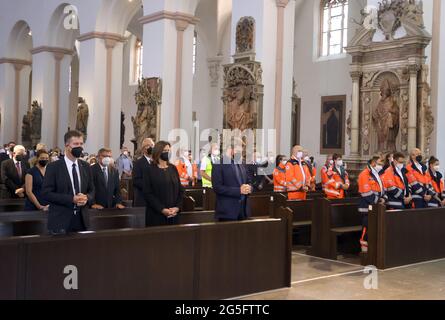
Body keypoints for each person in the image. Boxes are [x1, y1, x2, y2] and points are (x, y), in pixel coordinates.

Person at [42, 131, 95, 234]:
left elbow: (92, 190)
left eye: (81, 144)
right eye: (76, 144)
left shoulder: (86, 166)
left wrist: (86, 198)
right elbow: (46, 193)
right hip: (60, 221)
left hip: (82, 220)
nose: (79, 147)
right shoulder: (54, 167)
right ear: (67, 146)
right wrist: (71, 199)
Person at [143, 141, 184, 227]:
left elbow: (180, 190)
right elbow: (148, 193)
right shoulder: (149, 170)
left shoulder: (173, 168)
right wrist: (162, 209)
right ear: (158, 151)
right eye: (165, 150)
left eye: (169, 150)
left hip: (174, 214)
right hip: (156, 215)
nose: (168, 153)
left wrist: (177, 207)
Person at [212, 142, 252, 221]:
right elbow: (217, 188)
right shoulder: (218, 164)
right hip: (227, 212)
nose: (240, 154)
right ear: (231, 149)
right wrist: (238, 191)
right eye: (239, 151)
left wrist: (249, 188)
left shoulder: (241, 163)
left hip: (243, 211)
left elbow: (249, 181)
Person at [358, 155, 386, 253]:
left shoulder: (377, 174)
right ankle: (364, 252)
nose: (381, 166)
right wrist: (378, 200)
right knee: (367, 228)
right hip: (367, 207)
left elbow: (383, 189)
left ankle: (373, 250)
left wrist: (383, 198)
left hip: (376, 206)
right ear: (373, 163)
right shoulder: (364, 174)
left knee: (374, 229)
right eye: (379, 163)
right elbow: (366, 192)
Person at [133, 138, 155, 207]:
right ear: (143, 149)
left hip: (155, 200)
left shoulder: (157, 162)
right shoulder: (138, 163)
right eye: (148, 145)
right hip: (143, 199)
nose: (151, 147)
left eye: (152, 145)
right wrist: (150, 185)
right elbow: (136, 181)